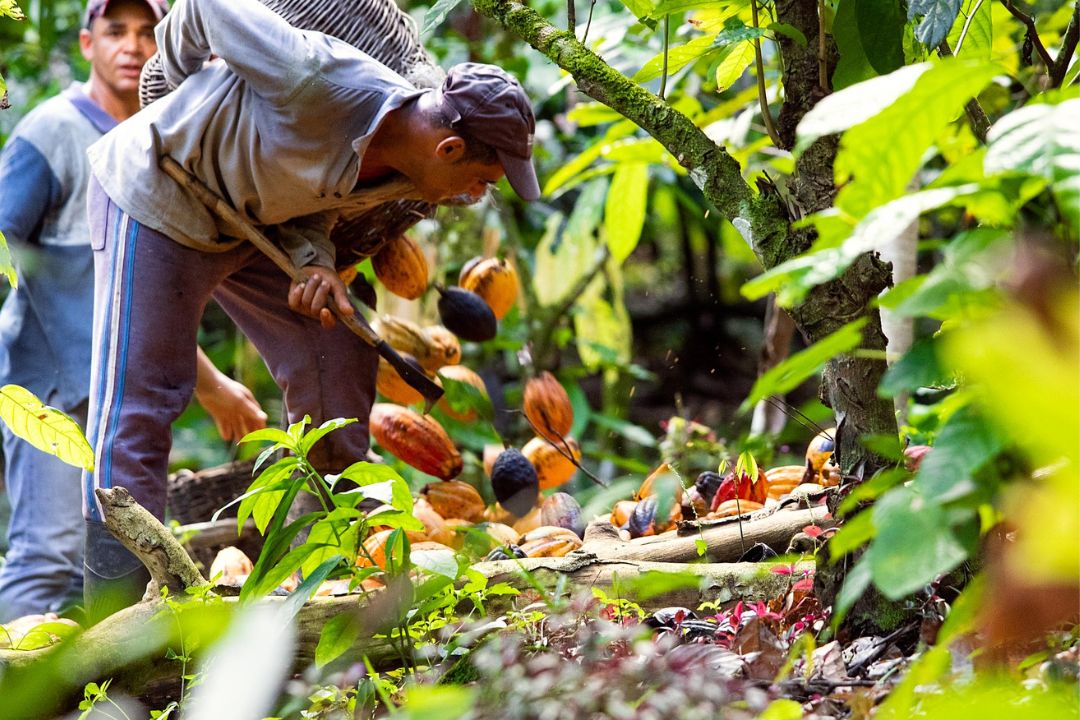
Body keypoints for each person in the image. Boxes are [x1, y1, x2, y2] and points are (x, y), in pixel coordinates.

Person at [82, 0, 539, 618]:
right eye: (484, 179)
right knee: (144, 396)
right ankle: (115, 631)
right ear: (451, 148)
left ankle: (315, 567)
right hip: (157, 198)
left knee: (337, 349)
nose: (479, 196)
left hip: (247, 227)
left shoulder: (402, 157)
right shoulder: (315, 78)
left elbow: (313, 190)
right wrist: (178, 94)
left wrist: (317, 260)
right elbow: (204, 6)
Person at [0, 0, 268, 623]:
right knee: (47, 557)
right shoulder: (52, 130)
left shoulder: (163, 140)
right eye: (115, 31)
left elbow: (141, 303)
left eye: (149, 31)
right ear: (88, 44)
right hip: (47, 390)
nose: (132, 45)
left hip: (117, 399)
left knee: (116, 562)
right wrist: (214, 384)